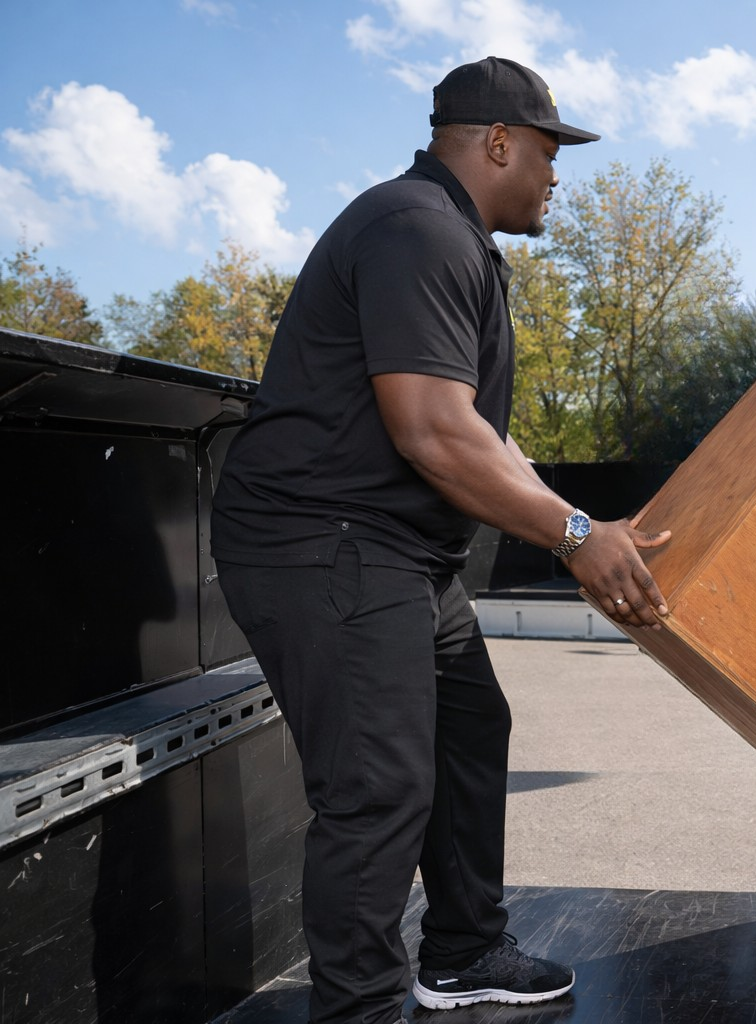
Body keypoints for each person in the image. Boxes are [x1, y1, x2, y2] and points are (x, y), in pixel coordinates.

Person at [211, 57, 671, 1024]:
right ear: (497, 143)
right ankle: (361, 1010)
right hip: (324, 541)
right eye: (549, 152)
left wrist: (577, 528)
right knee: (378, 793)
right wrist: (574, 533)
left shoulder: (451, 238)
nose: (556, 176)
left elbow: (483, 432)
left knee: (471, 732)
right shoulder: (417, 230)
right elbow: (430, 431)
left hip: (396, 552)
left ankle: (461, 955)